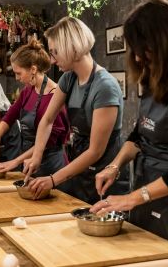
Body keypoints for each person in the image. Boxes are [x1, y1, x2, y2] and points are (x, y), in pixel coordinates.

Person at [90, 0, 168, 255]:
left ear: (164, 43)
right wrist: (115, 166)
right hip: (145, 193)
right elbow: (139, 134)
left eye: (142, 48)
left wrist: (132, 198)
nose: (137, 56)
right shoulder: (154, 77)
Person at [23, 17, 129, 203]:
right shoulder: (68, 79)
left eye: (55, 53)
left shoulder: (105, 87)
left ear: (71, 48)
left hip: (104, 174)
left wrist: (53, 179)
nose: (52, 60)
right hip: (78, 166)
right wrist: (37, 156)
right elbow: (47, 120)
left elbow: (95, 151)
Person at [0, 39, 70, 183]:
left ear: (33, 69)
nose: (17, 78)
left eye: (19, 73)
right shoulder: (28, 91)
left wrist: (15, 161)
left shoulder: (54, 96)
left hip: (51, 165)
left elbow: (46, 142)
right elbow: (9, 117)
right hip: (30, 161)